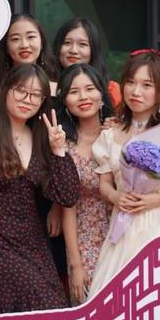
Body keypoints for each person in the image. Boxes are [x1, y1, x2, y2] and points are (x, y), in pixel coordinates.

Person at [0, 64, 79, 314]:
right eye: (21, 91)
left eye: (36, 95)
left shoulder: (42, 139)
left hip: (34, 242)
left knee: (54, 307)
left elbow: (68, 195)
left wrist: (59, 151)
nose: (27, 100)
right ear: (5, 90)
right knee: (28, 307)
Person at [88, 50, 160, 297]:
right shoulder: (110, 135)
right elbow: (105, 183)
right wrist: (116, 197)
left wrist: (159, 198)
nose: (136, 92)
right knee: (118, 297)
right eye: (131, 82)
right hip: (122, 222)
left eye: (147, 85)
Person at [56, 64, 114, 303]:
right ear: (65, 101)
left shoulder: (119, 133)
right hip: (84, 238)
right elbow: (67, 208)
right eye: (74, 91)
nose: (83, 97)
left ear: (102, 93)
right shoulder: (63, 146)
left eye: (89, 89)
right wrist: (76, 264)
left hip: (124, 233)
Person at [0, 13, 56, 129]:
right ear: (6, 47)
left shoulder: (56, 91)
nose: (24, 45)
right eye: (15, 39)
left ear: (42, 43)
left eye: (31, 37)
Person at [52, 17, 122, 109]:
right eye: (67, 43)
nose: (73, 50)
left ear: (93, 50)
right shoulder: (44, 86)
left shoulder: (111, 90)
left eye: (82, 44)